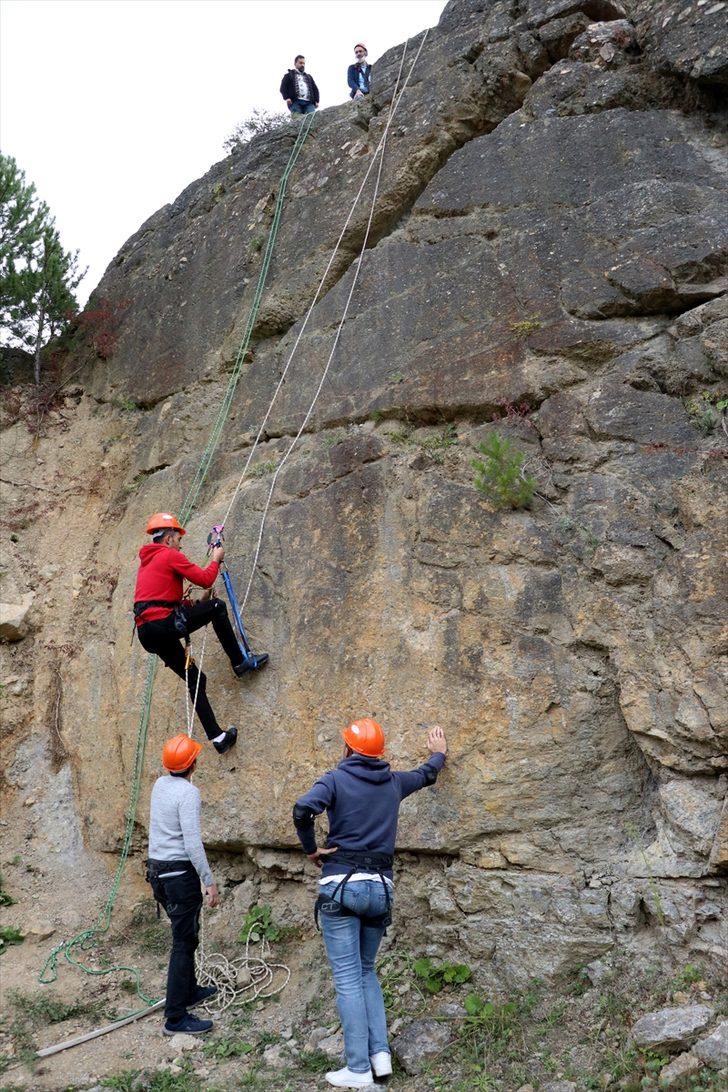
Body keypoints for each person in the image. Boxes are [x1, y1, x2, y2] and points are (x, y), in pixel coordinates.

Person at [293, 718, 448, 1090]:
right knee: (366, 972)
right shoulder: (393, 783)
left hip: (342, 886)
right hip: (380, 888)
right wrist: (439, 754)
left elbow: (302, 810)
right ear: (378, 753)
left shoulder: (334, 780)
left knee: (348, 979)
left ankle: (359, 1069)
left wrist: (312, 849)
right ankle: (380, 1056)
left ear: (348, 748)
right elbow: (425, 775)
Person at [133, 512, 268, 754]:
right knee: (217, 607)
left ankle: (218, 738)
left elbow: (158, 601)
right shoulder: (169, 555)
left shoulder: (147, 563)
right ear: (168, 539)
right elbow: (206, 579)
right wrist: (216, 559)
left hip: (148, 632)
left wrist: (193, 604)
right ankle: (240, 662)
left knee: (195, 679)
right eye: (178, 538)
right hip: (163, 624)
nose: (180, 544)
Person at [146, 733, 220, 1036]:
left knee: (187, 935)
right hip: (179, 875)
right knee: (183, 942)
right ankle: (175, 1018)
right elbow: (192, 843)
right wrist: (209, 881)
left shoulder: (159, 784)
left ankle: (189, 991)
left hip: (157, 873)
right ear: (194, 764)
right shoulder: (189, 793)